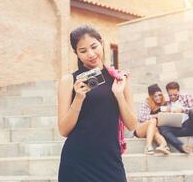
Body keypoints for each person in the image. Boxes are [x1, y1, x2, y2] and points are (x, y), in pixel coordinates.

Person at [57, 25, 137, 182]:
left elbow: (132, 124)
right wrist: (78, 98)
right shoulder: (69, 81)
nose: (91, 54)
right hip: (77, 162)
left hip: (110, 159)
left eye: (94, 46)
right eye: (83, 51)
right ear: (76, 54)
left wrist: (119, 95)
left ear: (101, 43)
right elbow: (63, 130)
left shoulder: (120, 78)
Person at [159, 81, 193, 153]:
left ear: (178, 91)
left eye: (175, 95)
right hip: (181, 128)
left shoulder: (187, 97)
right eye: (170, 95)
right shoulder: (167, 103)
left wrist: (182, 110)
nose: (172, 97)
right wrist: (166, 113)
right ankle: (182, 147)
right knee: (162, 128)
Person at [134, 84, 170, 155]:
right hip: (141, 129)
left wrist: (168, 113)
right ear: (151, 97)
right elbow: (141, 117)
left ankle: (164, 146)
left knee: (155, 131)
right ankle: (148, 146)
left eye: (159, 95)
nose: (158, 97)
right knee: (153, 121)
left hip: (153, 130)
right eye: (155, 96)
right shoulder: (147, 103)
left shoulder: (165, 104)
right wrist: (156, 116)